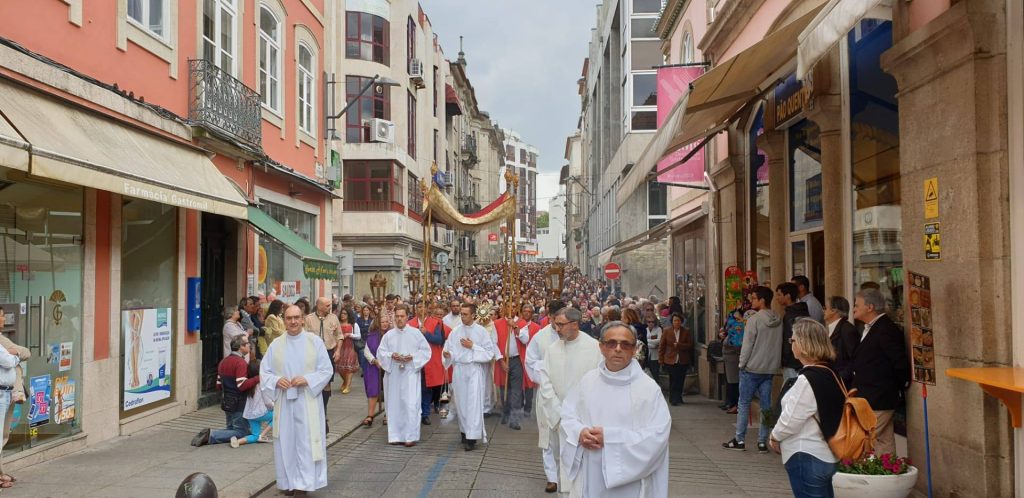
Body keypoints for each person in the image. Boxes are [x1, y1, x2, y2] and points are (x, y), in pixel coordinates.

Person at [559, 321, 671, 497]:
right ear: (601, 347)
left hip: (630, 483)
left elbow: (658, 437)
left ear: (634, 350)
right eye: (611, 343)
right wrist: (579, 432)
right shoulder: (588, 381)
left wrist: (609, 438)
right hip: (590, 472)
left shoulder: (648, 390)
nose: (618, 349)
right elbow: (568, 415)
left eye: (625, 344)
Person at [258, 304, 335, 495]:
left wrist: (307, 379)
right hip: (284, 402)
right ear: (284, 320)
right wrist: (276, 381)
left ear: (302, 319)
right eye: (289, 318)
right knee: (286, 441)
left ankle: (304, 483)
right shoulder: (276, 345)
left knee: (306, 442)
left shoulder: (314, 342)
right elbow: (264, 372)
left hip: (307, 400)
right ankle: (288, 482)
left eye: (296, 318)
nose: (293, 321)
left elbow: (326, 370)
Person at [769, 319, 845, 498]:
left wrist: (775, 436)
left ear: (803, 344)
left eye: (793, 340)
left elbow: (791, 418)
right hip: (826, 454)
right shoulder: (830, 372)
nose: (791, 344)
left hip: (806, 454)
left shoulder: (807, 379)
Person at [538, 307, 603, 496]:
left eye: (560, 325)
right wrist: (559, 414)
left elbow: (600, 383)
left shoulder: (594, 348)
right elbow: (545, 382)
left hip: (587, 421)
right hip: (561, 420)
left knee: (587, 470)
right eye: (555, 324)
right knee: (565, 466)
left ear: (574, 324)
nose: (556, 329)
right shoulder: (552, 350)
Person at [850, 288, 910, 456]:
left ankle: (864, 476)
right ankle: (886, 473)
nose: (854, 308)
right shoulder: (871, 327)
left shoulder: (885, 329)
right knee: (883, 440)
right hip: (871, 396)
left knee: (863, 440)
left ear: (869, 307)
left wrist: (894, 388)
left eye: (857, 305)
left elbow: (899, 363)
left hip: (879, 397)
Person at [723, 286, 782, 453]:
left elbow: (747, 345)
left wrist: (742, 364)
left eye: (754, 298)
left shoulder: (754, 320)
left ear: (762, 300)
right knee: (766, 406)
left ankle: (739, 439)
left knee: (743, 403)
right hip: (769, 368)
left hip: (752, 367)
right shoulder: (778, 319)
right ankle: (763, 441)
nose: (751, 301)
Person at [442, 302, 498, 451]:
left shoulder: (481, 332)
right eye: (461, 313)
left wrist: (472, 346)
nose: (462, 316)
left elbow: (489, 353)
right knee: (461, 402)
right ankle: (464, 431)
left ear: (473, 315)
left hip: (474, 370)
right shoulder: (456, 331)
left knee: (473, 403)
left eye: (465, 314)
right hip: (459, 369)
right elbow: (449, 349)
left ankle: (472, 437)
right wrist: (448, 354)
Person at [377, 304, 432, 447]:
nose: (399, 319)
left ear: (407, 317)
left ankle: (410, 436)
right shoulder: (389, 335)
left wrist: (413, 357)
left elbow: (426, 351)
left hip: (410, 374)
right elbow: (381, 353)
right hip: (394, 374)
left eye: (402, 316)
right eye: (397, 316)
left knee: (410, 404)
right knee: (394, 404)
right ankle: (395, 435)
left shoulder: (415, 333)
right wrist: (391, 355)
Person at [192, 335, 260, 447]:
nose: (249, 345)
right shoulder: (240, 363)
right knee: (241, 432)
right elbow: (242, 385)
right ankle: (210, 435)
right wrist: (258, 378)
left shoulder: (224, 361)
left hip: (226, 400)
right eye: (247, 343)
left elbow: (218, 385)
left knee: (231, 429)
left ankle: (209, 435)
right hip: (238, 402)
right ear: (241, 347)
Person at [304, 297, 341, 422]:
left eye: (329, 305)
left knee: (327, 383)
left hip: (328, 352)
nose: (329, 307)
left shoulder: (333, 318)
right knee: (314, 381)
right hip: (313, 354)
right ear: (319, 306)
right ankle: (313, 409)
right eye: (327, 305)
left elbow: (339, 336)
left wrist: (338, 351)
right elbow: (304, 338)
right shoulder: (308, 319)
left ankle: (323, 410)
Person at [408, 301, 445, 425]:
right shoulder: (410, 324)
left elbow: (439, 340)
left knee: (426, 388)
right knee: (414, 387)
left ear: (428, 309)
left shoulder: (435, 323)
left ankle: (425, 414)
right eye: (418, 307)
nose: (421, 309)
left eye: (423, 307)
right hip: (413, 360)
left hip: (429, 360)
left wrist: (426, 333)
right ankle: (414, 412)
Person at [0, 311, 22, 489]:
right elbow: (7, 361)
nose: (4, 319)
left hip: (6, 393)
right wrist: (15, 356)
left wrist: (13, 354)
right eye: (0, 315)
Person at [230, 360, 274, 448]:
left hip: (250, 414)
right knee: (279, 417)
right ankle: (263, 435)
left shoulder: (249, 383)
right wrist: (274, 407)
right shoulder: (262, 383)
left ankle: (238, 442)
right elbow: (268, 401)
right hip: (261, 412)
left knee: (255, 436)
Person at [360, 314, 388, 427]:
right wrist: (374, 360)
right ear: (378, 323)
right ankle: (370, 415)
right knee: (373, 391)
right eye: (382, 322)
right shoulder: (372, 336)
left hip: (388, 367)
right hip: (374, 367)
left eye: (386, 321)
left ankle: (388, 415)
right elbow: (366, 351)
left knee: (389, 390)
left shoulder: (391, 335)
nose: (385, 324)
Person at [777, 282, 810, 381]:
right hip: (803, 359)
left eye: (779, 295)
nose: (777, 298)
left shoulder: (790, 315)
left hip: (792, 362)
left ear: (787, 296)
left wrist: (784, 360)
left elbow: (789, 339)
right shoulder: (803, 311)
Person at [658, 313, 692, 405]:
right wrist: (661, 359)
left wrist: (680, 345)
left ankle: (679, 397)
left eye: (678, 320)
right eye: (675, 320)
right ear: (672, 322)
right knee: (673, 379)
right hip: (670, 359)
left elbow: (689, 345)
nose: (676, 322)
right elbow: (662, 345)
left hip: (682, 359)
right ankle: (673, 398)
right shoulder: (667, 331)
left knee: (680, 379)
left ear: (681, 322)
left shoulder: (686, 331)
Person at [824, 296, 858, 381]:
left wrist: (841, 377)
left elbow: (855, 359)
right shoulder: (831, 328)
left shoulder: (848, 330)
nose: (823, 310)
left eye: (825, 308)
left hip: (842, 382)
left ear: (833, 311)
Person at [719, 308, 747, 413]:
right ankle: (730, 403)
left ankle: (734, 404)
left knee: (734, 382)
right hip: (729, 358)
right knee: (730, 382)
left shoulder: (740, 327)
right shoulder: (732, 327)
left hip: (734, 358)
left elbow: (737, 344)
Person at [335, 308, 361, 394]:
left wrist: (349, 334)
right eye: (342, 313)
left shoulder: (354, 324)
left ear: (349, 315)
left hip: (350, 347)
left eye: (345, 313)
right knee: (339, 367)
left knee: (349, 367)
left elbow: (358, 336)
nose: (343, 315)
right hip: (339, 347)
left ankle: (348, 386)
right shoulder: (337, 324)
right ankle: (345, 381)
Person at [644, 315, 662, 386]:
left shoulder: (658, 329)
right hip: (646, 355)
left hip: (655, 355)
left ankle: (657, 387)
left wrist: (648, 341)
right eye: (649, 322)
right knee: (647, 372)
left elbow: (660, 340)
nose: (651, 323)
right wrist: (653, 344)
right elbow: (644, 342)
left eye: (653, 322)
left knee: (655, 372)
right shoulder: (645, 329)